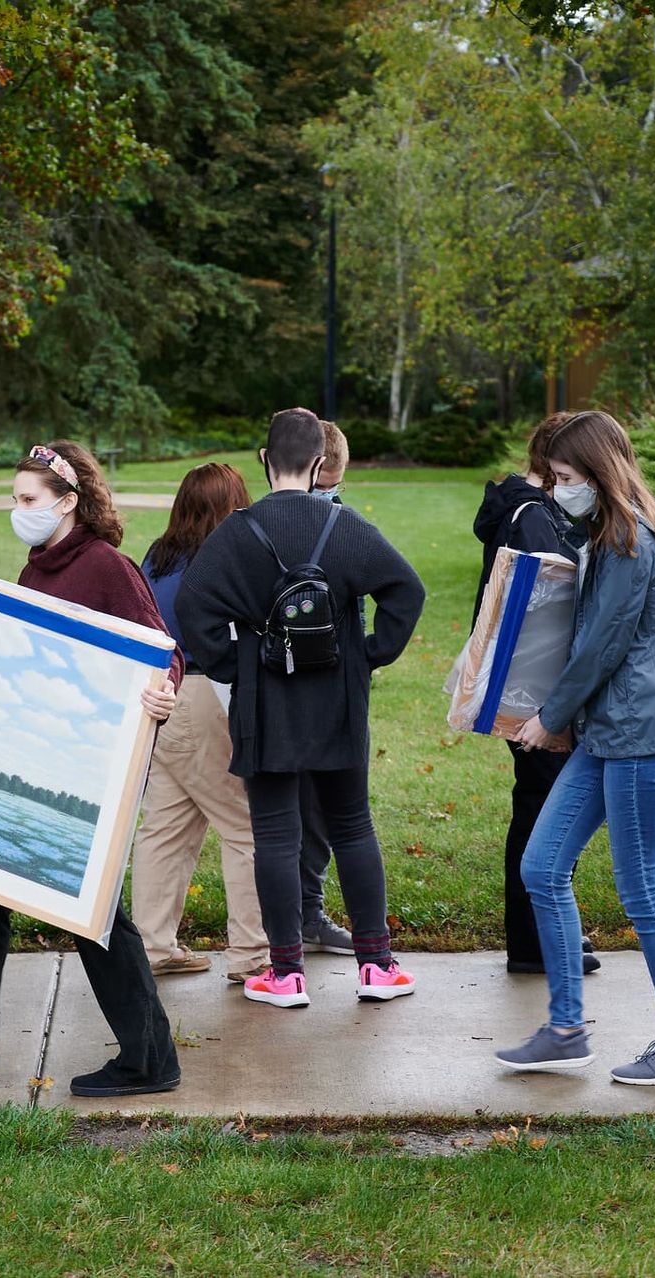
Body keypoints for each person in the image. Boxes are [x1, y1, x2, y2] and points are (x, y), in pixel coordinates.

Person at [0, 441, 184, 1097]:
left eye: (28, 500)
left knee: (94, 914)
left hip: (88, 771)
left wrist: (163, 690)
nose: (18, 511)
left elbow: (161, 652)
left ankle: (151, 1058)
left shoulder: (107, 568)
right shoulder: (36, 570)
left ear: (68, 502)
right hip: (24, 753)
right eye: (15, 498)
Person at [497, 410, 655, 1085]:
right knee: (543, 868)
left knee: (642, 891)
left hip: (645, 730)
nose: (555, 490)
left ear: (599, 475)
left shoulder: (628, 544)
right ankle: (567, 1030)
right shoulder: (608, 533)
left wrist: (550, 718)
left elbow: (602, 645)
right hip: (614, 727)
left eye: (567, 478)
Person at [176, 407, 427, 1010]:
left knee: (275, 835)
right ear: (320, 465)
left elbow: (192, 606)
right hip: (339, 701)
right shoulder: (346, 527)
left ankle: (284, 974)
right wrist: (369, 654)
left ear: (264, 462)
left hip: (267, 707)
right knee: (352, 826)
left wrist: (235, 664)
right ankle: (376, 965)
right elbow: (406, 590)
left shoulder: (236, 534)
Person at [468, 413, 601, 977]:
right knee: (543, 809)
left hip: (522, 681)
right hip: (536, 687)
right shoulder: (536, 517)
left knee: (539, 803)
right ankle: (533, 940)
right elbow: (549, 606)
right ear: (557, 464)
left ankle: (538, 935)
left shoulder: (523, 508)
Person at [133, 462, 264, 979]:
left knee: (166, 826)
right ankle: (253, 954)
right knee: (244, 826)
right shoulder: (224, 559)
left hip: (156, 694)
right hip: (203, 691)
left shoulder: (158, 556)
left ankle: (153, 945)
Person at [290, 420, 356, 965]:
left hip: (333, 688)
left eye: (335, 487)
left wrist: (365, 658)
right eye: (321, 485)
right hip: (286, 690)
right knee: (292, 813)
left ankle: (306, 913)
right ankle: (294, 919)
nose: (326, 497)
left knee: (321, 816)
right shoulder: (276, 519)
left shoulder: (346, 526)